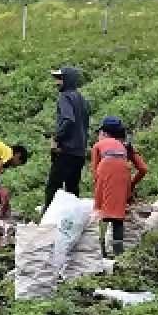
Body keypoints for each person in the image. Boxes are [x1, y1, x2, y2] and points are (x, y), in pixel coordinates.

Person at [91, 116, 148, 255]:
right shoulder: (126, 146)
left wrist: (99, 192)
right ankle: (118, 253)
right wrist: (130, 186)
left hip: (105, 169)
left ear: (104, 133)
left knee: (99, 212)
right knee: (117, 216)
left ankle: (98, 249)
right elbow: (143, 169)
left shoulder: (98, 145)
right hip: (124, 172)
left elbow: (95, 172)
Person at [45, 66, 90, 209]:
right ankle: (72, 222)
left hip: (66, 151)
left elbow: (68, 120)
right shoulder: (82, 100)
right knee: (72, 190)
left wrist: (56, 139)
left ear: (67, 80)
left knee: (53, 188)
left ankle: (48, 223)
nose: (57, 82)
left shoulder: (65, 97)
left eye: (60, 78)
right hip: (79, 153)